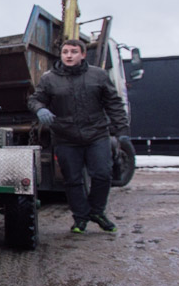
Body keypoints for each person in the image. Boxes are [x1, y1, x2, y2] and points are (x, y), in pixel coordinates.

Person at [28, 38, 129, 235]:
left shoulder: (97, 76)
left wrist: (122, 131)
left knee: (102, 174)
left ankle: (97, 212)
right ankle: (80, 218)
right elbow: (35, 99)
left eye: (73, 52)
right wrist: (40, 109)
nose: (69, 55)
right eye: (65, 52)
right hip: (65, 138)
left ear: (83, 55)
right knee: (72, 180)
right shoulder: (49, 79)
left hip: (97, 135)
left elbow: (114, 103)